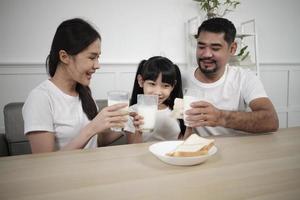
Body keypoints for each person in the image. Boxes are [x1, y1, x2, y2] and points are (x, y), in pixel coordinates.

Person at [22, 18, 128, 153]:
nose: (97, 65)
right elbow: (44, 163)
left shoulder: (84, 92)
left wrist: (126, 123)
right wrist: (92, 128)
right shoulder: (40, 98)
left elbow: (95, 142)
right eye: (91, 57)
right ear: (64, 57)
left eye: (98, 57)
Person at [182, 17, 279, 137]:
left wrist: (221, 117)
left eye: (215, 48)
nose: (206, 54)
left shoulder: (244, 78)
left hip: (235, 151)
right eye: (201, 47)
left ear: (232, 49)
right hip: (195, 152)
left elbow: (271, 121)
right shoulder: (181, 78)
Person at [124, 56, 186, 143]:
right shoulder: (132, 112)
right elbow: (132, 148)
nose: (158, 92)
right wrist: (138, 131)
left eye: (165, 86)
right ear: (141, 81)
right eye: (152, 84)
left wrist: (191, 125)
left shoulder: (177, 109)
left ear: (173, 86)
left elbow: (183, 142)